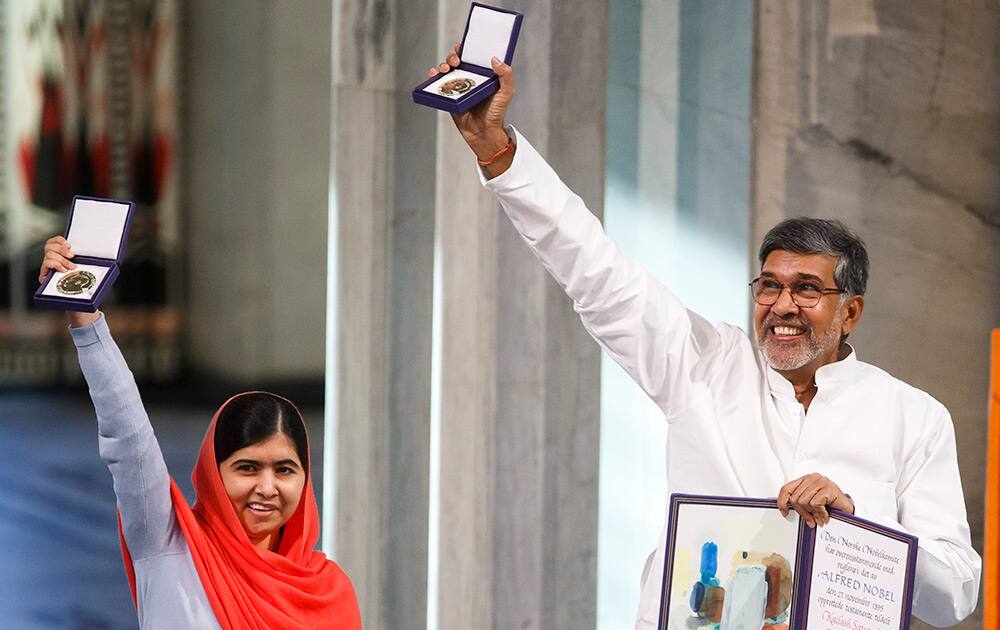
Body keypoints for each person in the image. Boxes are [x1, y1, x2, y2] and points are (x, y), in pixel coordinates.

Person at [429, 47, 981, 627]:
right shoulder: (706, 364)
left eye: (807, 290)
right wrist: (498, 153)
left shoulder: (912, 416)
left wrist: (859, 519)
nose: (782, 306)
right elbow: (595, 270)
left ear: (850, 312)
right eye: (769, 285)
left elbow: (955, 594)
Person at [39, 237, 362, 629]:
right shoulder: (166, 543)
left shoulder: (328, 592)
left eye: (284, 470)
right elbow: (128, 436)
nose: (267, 486)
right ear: (214, 472)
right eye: (246, 467)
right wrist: (86, 320)